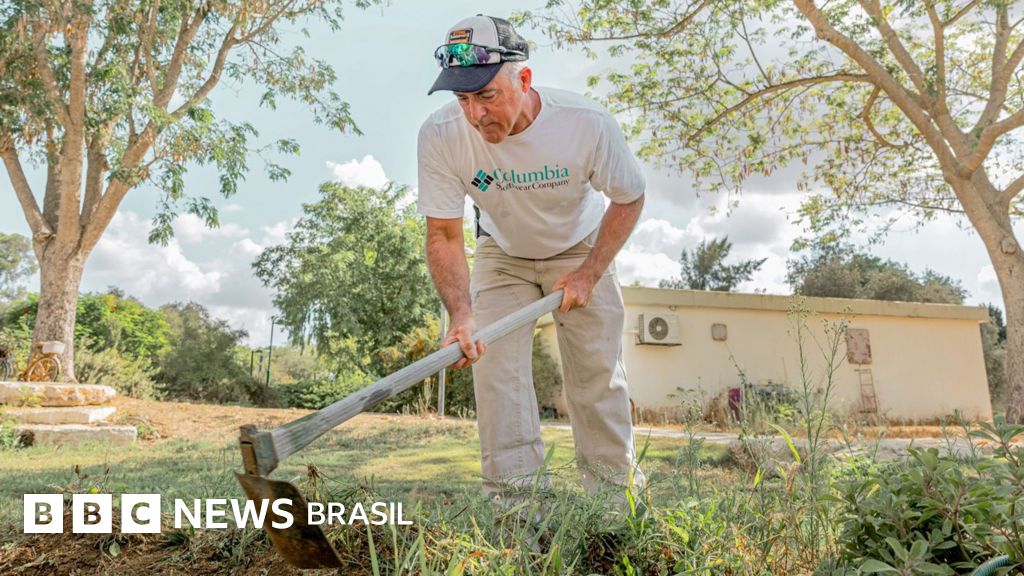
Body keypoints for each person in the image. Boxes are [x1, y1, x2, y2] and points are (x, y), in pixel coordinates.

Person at [416, 14, 647, 509]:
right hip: (503, 255)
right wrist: (461, 314)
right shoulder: (440, 135)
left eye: (487, 96)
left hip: (582, 247)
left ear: (523, 79)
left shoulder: (585, 124)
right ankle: (517, 513)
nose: (475, 115)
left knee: (596, 377)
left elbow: (630, 197)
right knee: (496, 377)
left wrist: (590, 273)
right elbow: (443, 233)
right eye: (463, 100)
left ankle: (614, 510)